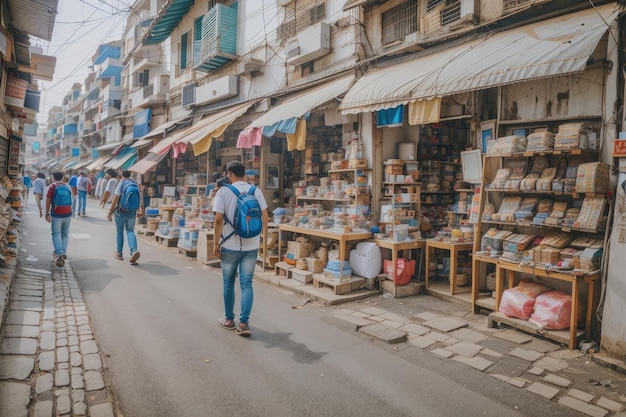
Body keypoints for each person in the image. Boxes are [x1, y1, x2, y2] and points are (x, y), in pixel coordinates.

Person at [213, 160, 268, 337]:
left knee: (228, 282)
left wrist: (215, 243)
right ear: (244, 173)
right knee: (247, 284)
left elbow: (218, 219)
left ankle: (229, 320)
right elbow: (265, 217)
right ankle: (244, 324)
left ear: (230, 174)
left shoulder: (223, 192)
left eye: (226, 174)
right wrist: (263, 241)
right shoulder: (256, 191)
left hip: (229, 245)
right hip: (251, 245)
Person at [107, 170, 141, 265]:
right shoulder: (135, 184)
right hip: (132, 212)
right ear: (130, 175)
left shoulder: (121, 183)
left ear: (122, 175)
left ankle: (119, 253)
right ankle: (134, 250)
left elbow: (115, 199)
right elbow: (139, 198)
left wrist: (109, 213)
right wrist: (138, 210)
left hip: (121, 212)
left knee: (119, 232)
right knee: (130, 230)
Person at [45, 172, 73, 267]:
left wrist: (47, 213)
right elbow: (71, 199)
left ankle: (59, 252)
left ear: (53, 177)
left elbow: (48, 200)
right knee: (65, 234)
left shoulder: (52, 186)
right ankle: (62, 253)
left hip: (57, 213)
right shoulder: (67, 186)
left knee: (56, 233)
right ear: (63, 178)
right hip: (68, 212)